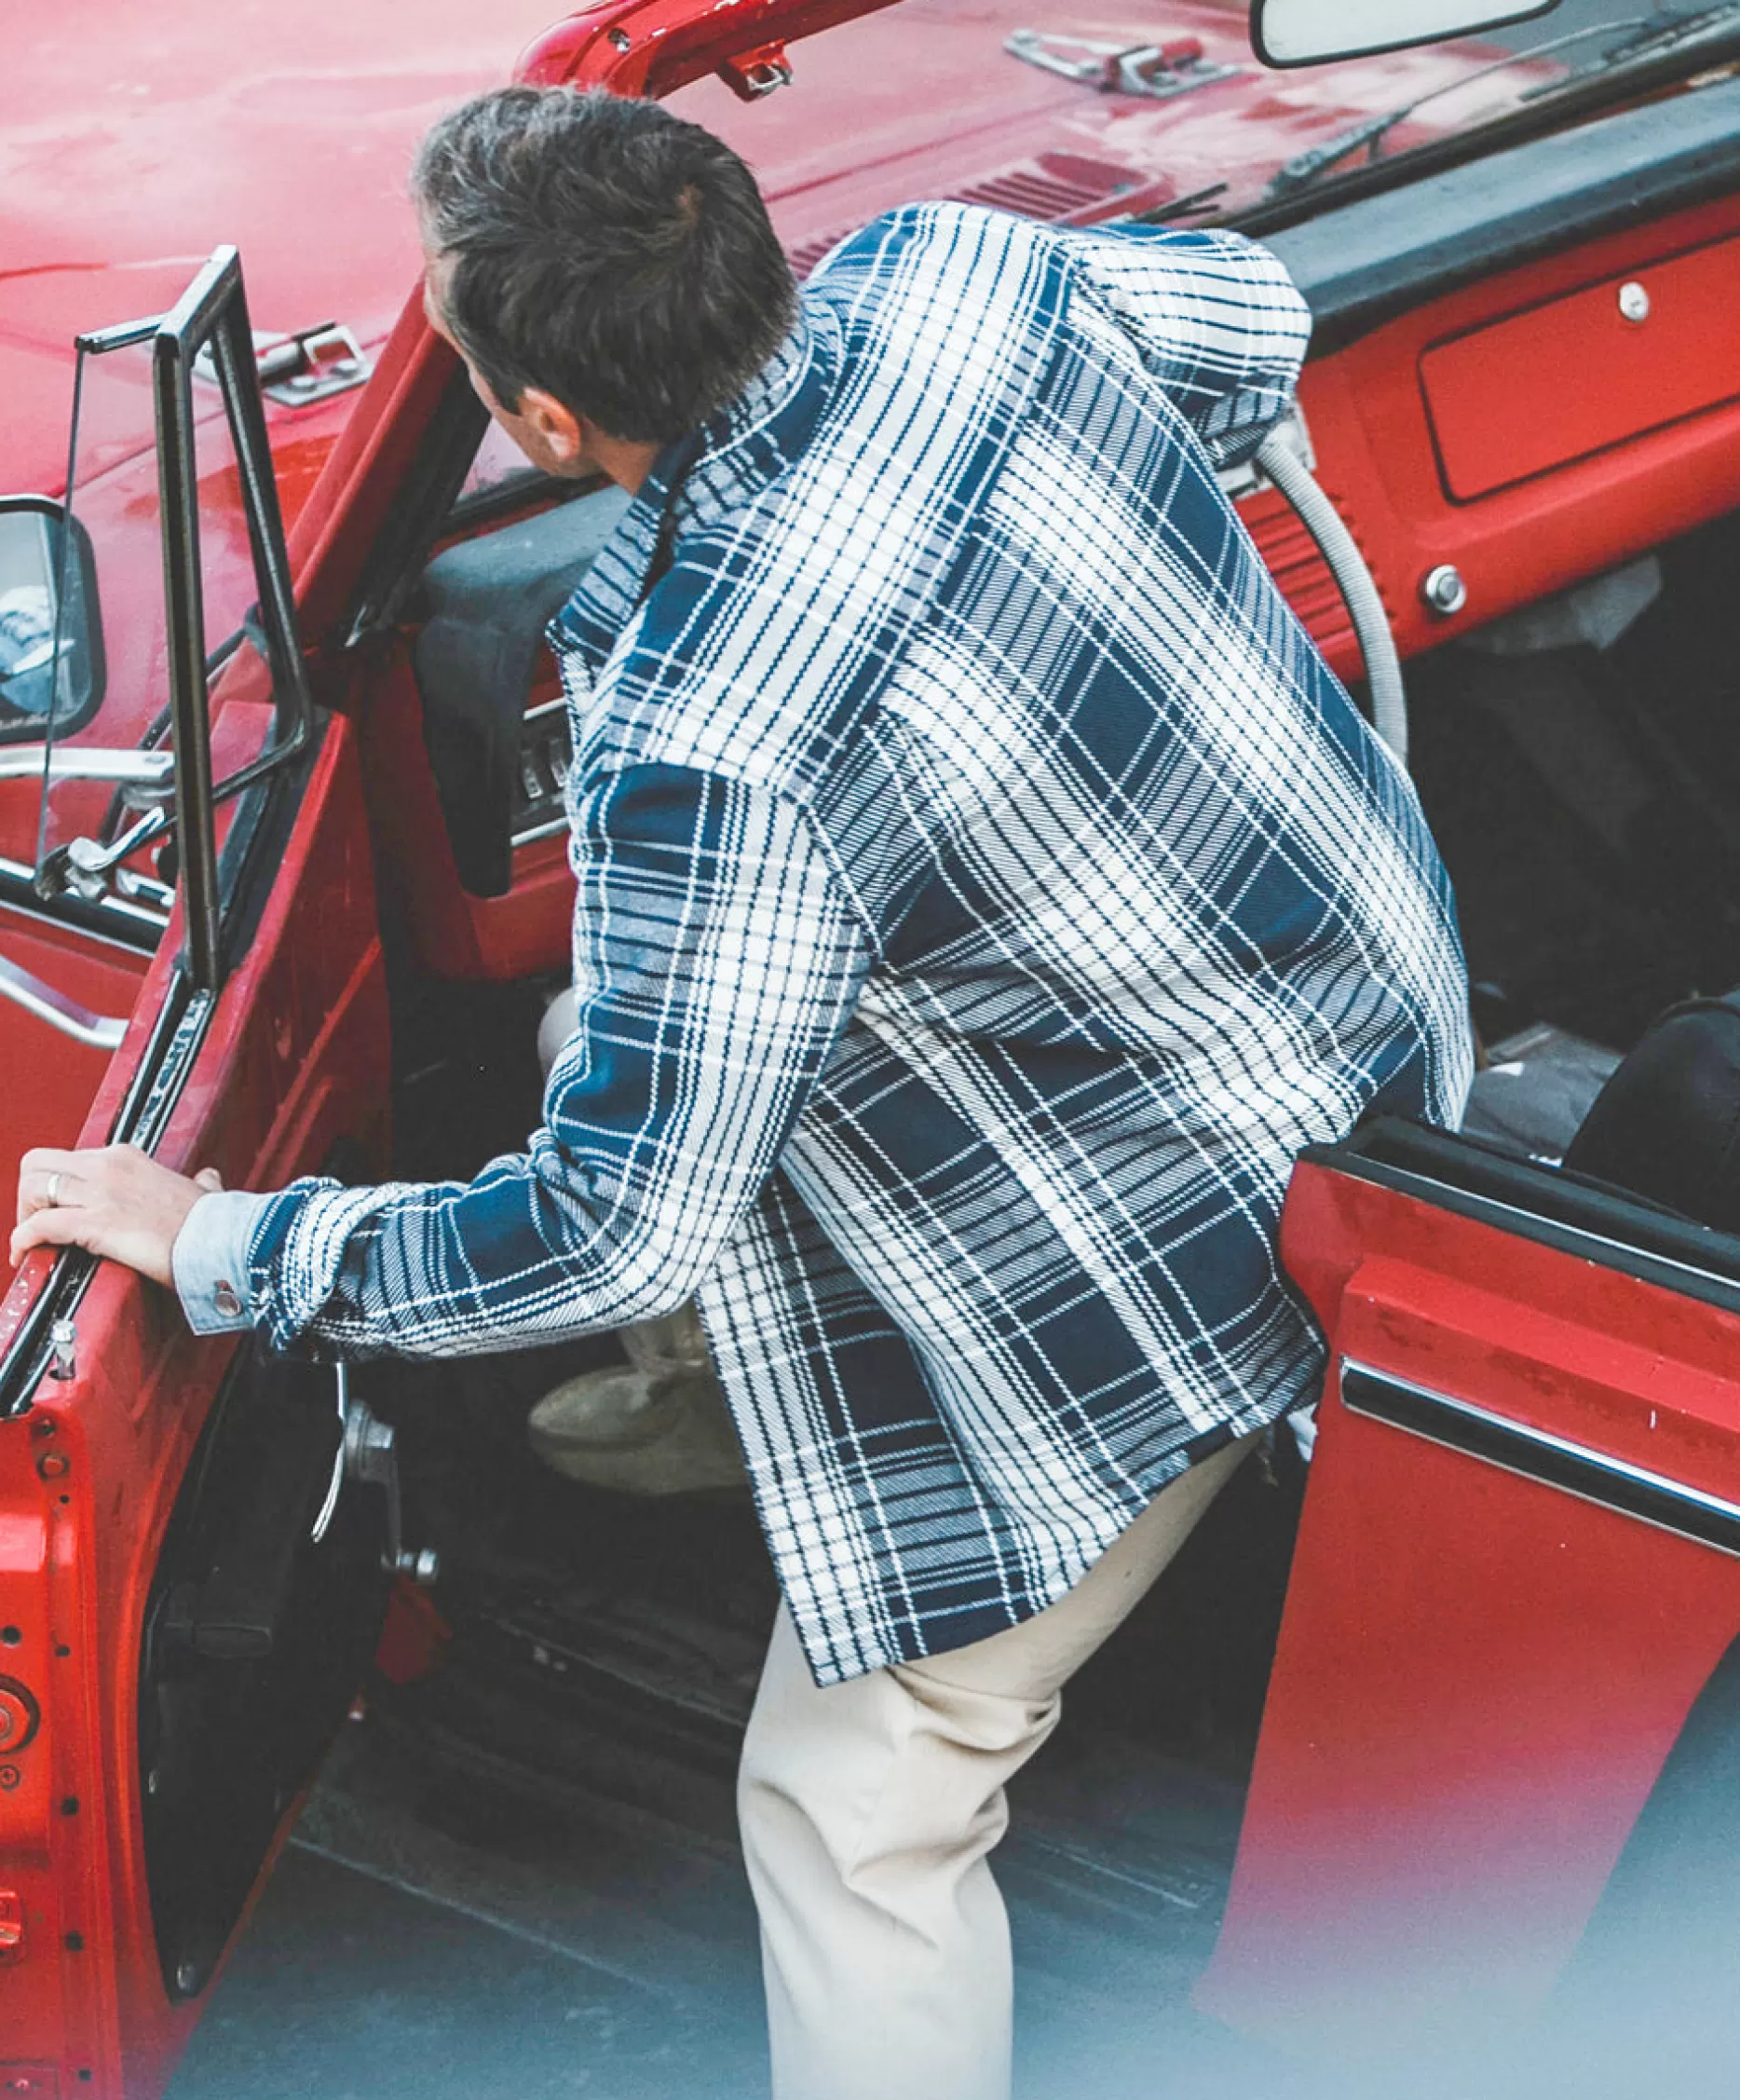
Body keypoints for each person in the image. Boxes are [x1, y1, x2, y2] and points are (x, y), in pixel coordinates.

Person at [11, 86, 1472, 2100]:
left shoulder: (711, 749)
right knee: (590, 1047)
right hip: (1370, 993)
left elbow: (620, 1218)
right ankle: (731, 1415)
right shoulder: (958, 270)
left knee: (849, 1792)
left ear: (542, 426)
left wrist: (227, 1239)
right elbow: (1251, 332)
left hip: (1165, 1257)